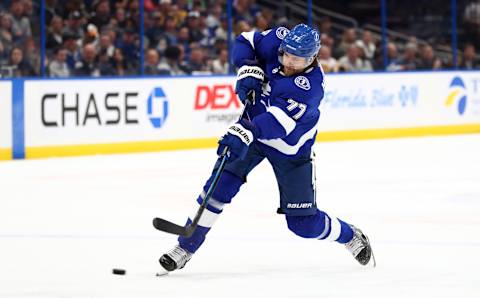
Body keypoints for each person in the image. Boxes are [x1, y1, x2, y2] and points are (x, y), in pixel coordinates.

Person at [159, 24, 375, 272]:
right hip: (253, 133)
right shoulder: (278, 41)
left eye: (298, 59)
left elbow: (278, 123)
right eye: (286, 55)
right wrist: (246, 67)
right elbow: (245, 40)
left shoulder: (309, 88)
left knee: (303, 225)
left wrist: (245, 131)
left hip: (290, 150)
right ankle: (185, 247)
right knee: (218, 188)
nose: (289, 63)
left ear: (313, 58)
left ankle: (349, 235)